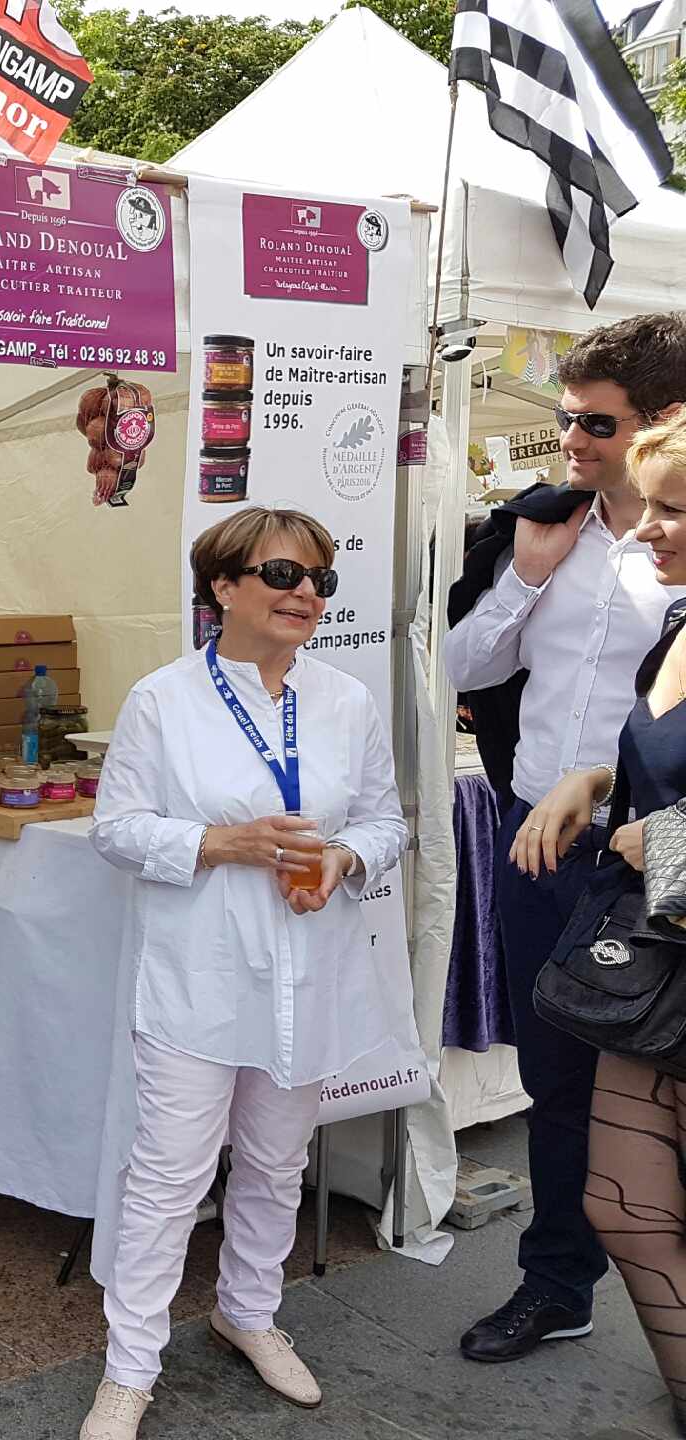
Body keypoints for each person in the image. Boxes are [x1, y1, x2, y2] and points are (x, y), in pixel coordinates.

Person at [80, 508, 407, 1440]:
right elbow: (114, 829)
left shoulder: (345, 700)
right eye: (283, 574)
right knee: (169, 1181)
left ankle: (248, 1314)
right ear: (222, 587)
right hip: (199, 977)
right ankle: (129, 1370)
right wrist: (222, 843)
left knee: (274, 1163)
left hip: (310, 976)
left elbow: (387, 821)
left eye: (320, 581)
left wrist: (342, 859)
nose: (308, 594)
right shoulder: (164, 700)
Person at [445, 313, 686, 1363]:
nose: (573, 441)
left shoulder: (675, 551)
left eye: (596, 421)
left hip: (649, 859)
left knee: (652, 1091)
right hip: (532, 843)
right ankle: (558, 1284)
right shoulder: (534, 524)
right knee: (555, 1080)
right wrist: (529, 576)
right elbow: (461, 672)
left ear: (664, 421)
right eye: (564, 418)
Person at [511, 409, 686, 1432]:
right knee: (619, 1200)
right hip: (658, 959)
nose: (647, 528)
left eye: (672, 509)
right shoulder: (676, 624)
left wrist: (658, 845)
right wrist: (596, 778)